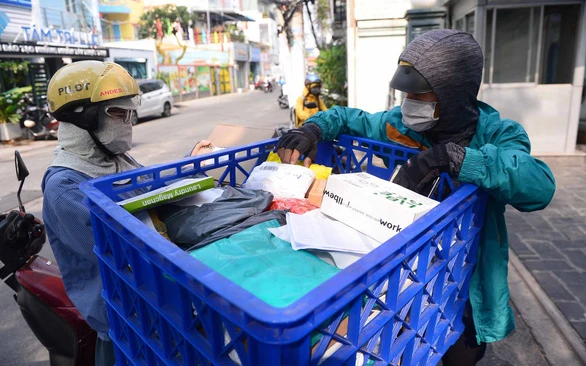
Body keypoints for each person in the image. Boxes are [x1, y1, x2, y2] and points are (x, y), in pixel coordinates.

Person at [277, 29, 556, 365]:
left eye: (418, 95)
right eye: (406, 95)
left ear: (450, 94)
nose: (407, 104)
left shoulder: (498, 134)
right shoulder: (403, 125)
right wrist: (313, 128)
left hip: (464, 276)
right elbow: (351, 119)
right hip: (408, 266)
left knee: (460, 350)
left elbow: (539, 185)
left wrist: (455, 158)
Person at [41, 61, 210, 365]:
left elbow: (150, 188)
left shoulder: (115, 159)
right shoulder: (65, 189)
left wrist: (187, 168)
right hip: (128, 326)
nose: (128, 122)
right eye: (118, 113)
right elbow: (126, 257)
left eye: (130, 113)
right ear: (84, 118)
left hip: (161, 309)